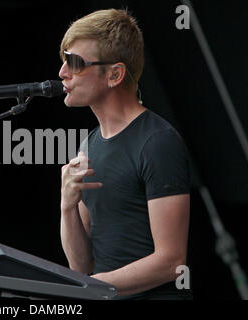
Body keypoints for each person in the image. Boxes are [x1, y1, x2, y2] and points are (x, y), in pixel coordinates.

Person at [59, 9, 193, 300]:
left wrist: (93, 287)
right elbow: (80, 267)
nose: (62, 73)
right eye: (64, 61)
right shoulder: (88, 146)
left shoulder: (158, 142)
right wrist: (67, 207)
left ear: (115, 74)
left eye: (75, 63)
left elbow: (171, 262)